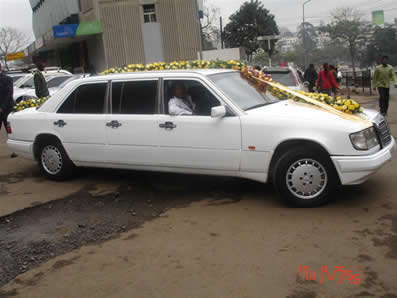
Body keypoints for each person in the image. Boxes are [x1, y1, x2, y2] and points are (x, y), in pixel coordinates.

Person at [0, 63, 17, 158]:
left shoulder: (7, 79)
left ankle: (15, 150)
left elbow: (9, 94)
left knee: (10, 131)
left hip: (7, 110)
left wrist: (2, 107)